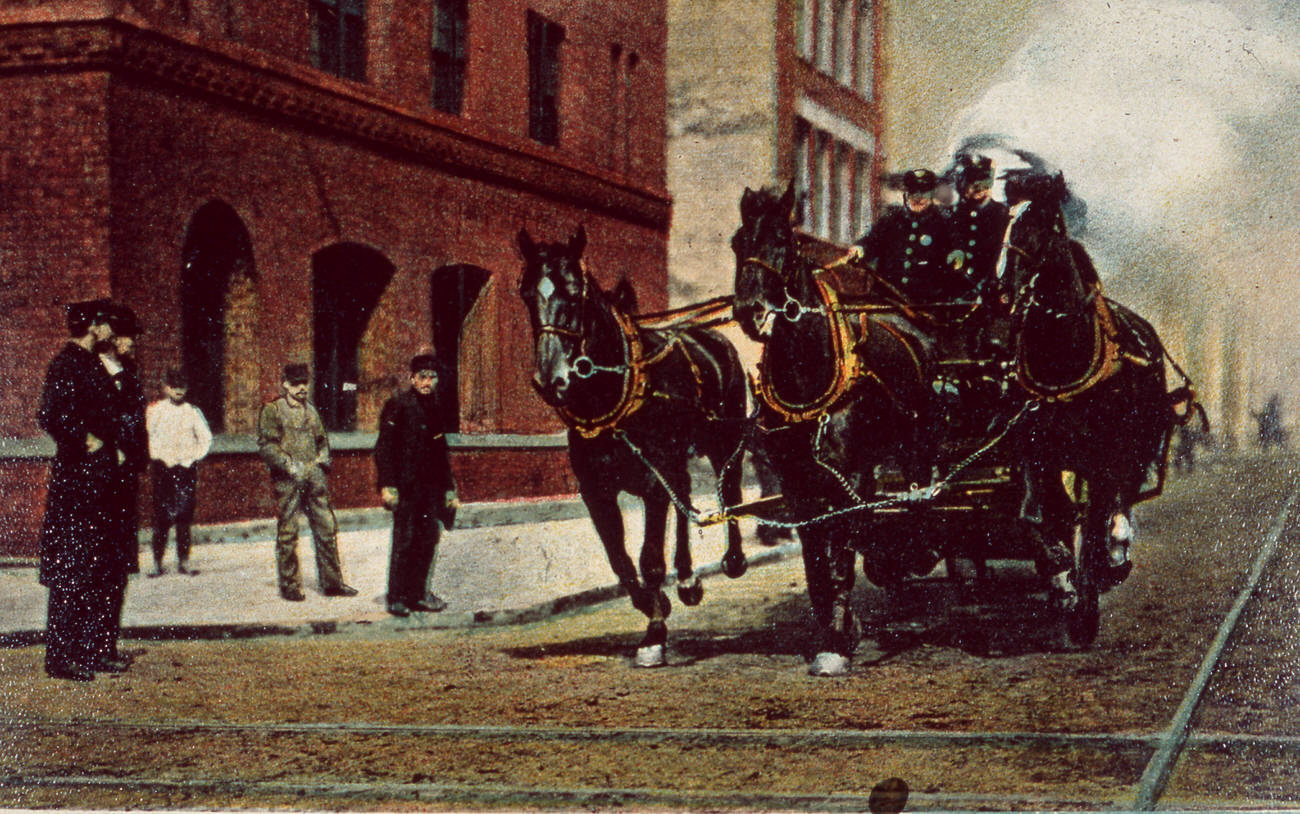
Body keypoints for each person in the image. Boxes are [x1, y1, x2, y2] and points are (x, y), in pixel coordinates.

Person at [37, 299, 121, 680]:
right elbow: (50, 414)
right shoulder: (66, 364)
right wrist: (85, 440)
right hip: (75, 484)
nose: (110, 330)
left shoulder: (91, 363)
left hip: (97, 483)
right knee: (70, 568)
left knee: (94, 568)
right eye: (105, 323)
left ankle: (87, 651)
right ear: (92, 326)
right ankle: (60, 657)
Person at [257, 362, 357, 601]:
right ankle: (291, 586)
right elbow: (267, 446)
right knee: (289, 532)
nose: (301, 388)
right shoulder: (273, 410)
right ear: (285, 384)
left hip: (314, 479)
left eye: (304, 383)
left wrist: (322, 461)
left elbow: (322, 441)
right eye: (295, 383)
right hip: (288, 480)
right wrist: (289, 465)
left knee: (326, 528)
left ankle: (332, 583)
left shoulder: (311, 411)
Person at [374, 354, 460, 617]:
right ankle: (397, 597)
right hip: (406, 488)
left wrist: (449, 489)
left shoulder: (434, 407)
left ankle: (419, 594)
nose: (428, 382)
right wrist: (388, 485)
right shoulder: (398, 405)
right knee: (405, 540)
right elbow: (384, 448)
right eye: (422, 377)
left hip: (430, 489)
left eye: (433, 377)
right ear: (412, 379)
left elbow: (440, 451)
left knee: (427, 540)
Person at [92, 302, 148, 672]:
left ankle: (108, 645)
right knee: (97, 570)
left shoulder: (130, 377)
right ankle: (92, 648)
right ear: (112, 336)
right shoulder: (89, 374)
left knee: (117, 570)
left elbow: (137, 429)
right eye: (129, 337)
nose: (133, 344)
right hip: (98, 487)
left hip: (124, 487)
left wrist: (134, 457)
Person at [842, 168, 971, 303]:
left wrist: (958, 254)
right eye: (913, 193)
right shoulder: (891, 219)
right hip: (888, 299)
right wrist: (860, 249)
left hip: (925, 303)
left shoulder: (944, 221)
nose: (918, 198)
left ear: (932, 194)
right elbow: (871, 241)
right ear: (906, 195)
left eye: (923, 193)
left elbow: (957, 246)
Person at [146, 367, 212, 576]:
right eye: (173, 386)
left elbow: (206, 438)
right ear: (166, 388)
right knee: (161, 516)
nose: (178, 391)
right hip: (163, 469)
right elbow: (148, 435)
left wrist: (192, 458)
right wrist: (157, 457)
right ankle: (158, 562)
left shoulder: (192, 412)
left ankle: (184, 561)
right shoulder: (156, 411)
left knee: (184, 516)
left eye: (182, 387)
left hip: (185, 470)